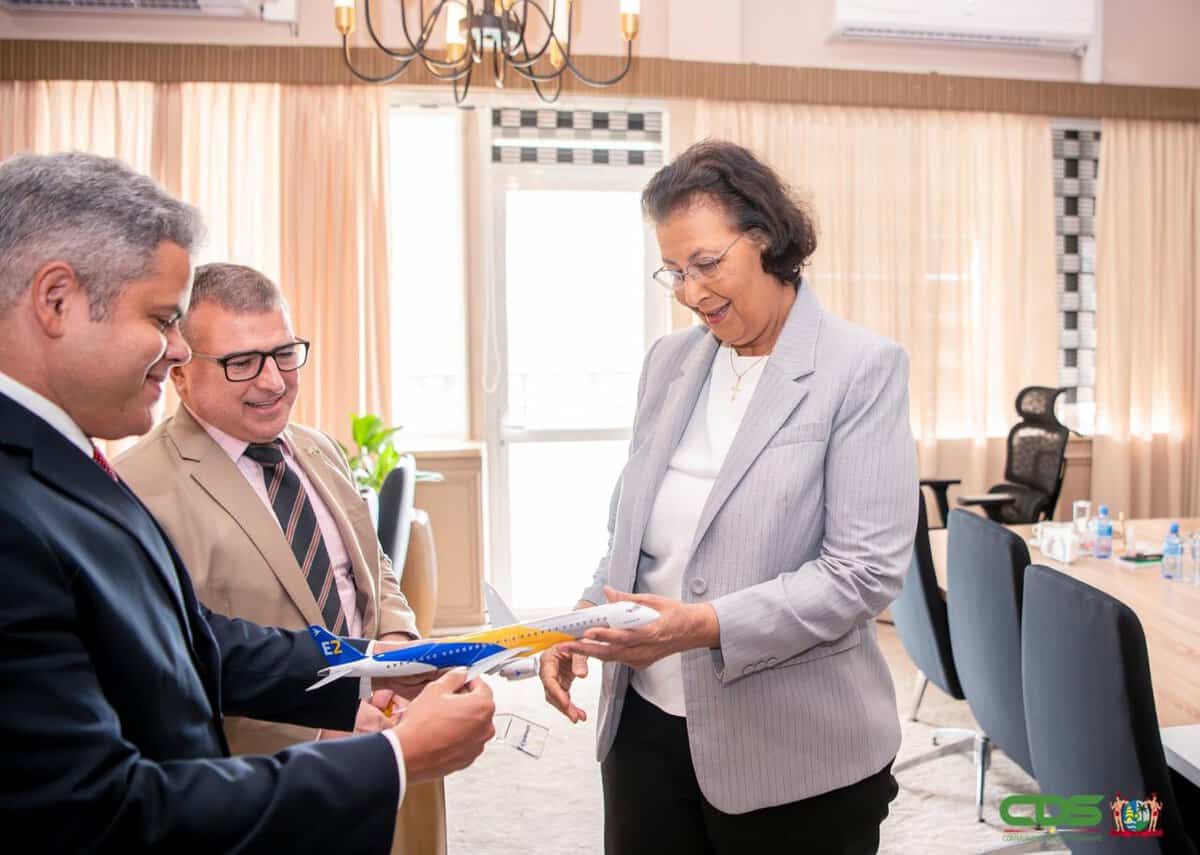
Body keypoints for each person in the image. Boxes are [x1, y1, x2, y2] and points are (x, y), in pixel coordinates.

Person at [0, 151, 494, 852]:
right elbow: (98, 811)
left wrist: (372, 662)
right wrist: (391, 758)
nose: (177, 352)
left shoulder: (63, 455)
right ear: (56, 302)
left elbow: (196, 640)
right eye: (161, 320)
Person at [539, 140, 917, 854]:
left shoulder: (860, 369)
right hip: (645, 731)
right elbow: (635, 535)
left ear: (767, 237)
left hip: (794, 750)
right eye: (675, 271)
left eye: (707, 264)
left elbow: (862, 573)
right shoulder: (669, 362)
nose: (691, 293)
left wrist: (704, 624)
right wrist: (581, 619)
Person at [114, 261, 444, 855]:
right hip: (265, 790)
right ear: (181, 371)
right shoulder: (137, 489)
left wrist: (396, 642)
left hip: (384, 750)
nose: (273, 382)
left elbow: (370, 568)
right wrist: (318, 732)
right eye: (241, 362)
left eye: (284, 354)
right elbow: (175, 666)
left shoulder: (317, 448)